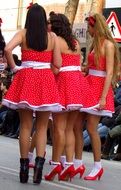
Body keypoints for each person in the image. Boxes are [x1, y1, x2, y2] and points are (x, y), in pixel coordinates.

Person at [2, 3, 62, 184]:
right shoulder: (52, 37)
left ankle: (22, 169)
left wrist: (15, 68)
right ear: (44, 20)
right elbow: (58, 64)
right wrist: (46, 67)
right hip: (45, 79)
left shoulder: (23, 33)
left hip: (26, 78)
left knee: (26, 126)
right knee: (42, 127)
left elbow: (7, 49)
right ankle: (38, 169)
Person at [44, 12, 98, 181]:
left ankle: (55, 164)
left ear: (55, 25)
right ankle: (69, 164)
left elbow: (56, 67)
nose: (48, 25)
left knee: (59, 128)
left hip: (63, 83)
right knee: (70, 129)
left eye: (50, 23)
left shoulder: (55, 40)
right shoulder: (74, 42)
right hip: (77, 85)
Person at [74, 13, 120, 181]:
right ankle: (78, 162)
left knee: (92, 128)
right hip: (88, 85)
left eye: (89, 27)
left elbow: (109, 72)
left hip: (99, 88)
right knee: (77, 125)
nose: (88, 30)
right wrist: (82, 68)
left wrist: (102, 97)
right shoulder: (94, 44)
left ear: (96, 27)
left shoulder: (108, 45)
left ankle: (97, 166)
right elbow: (91, 67)